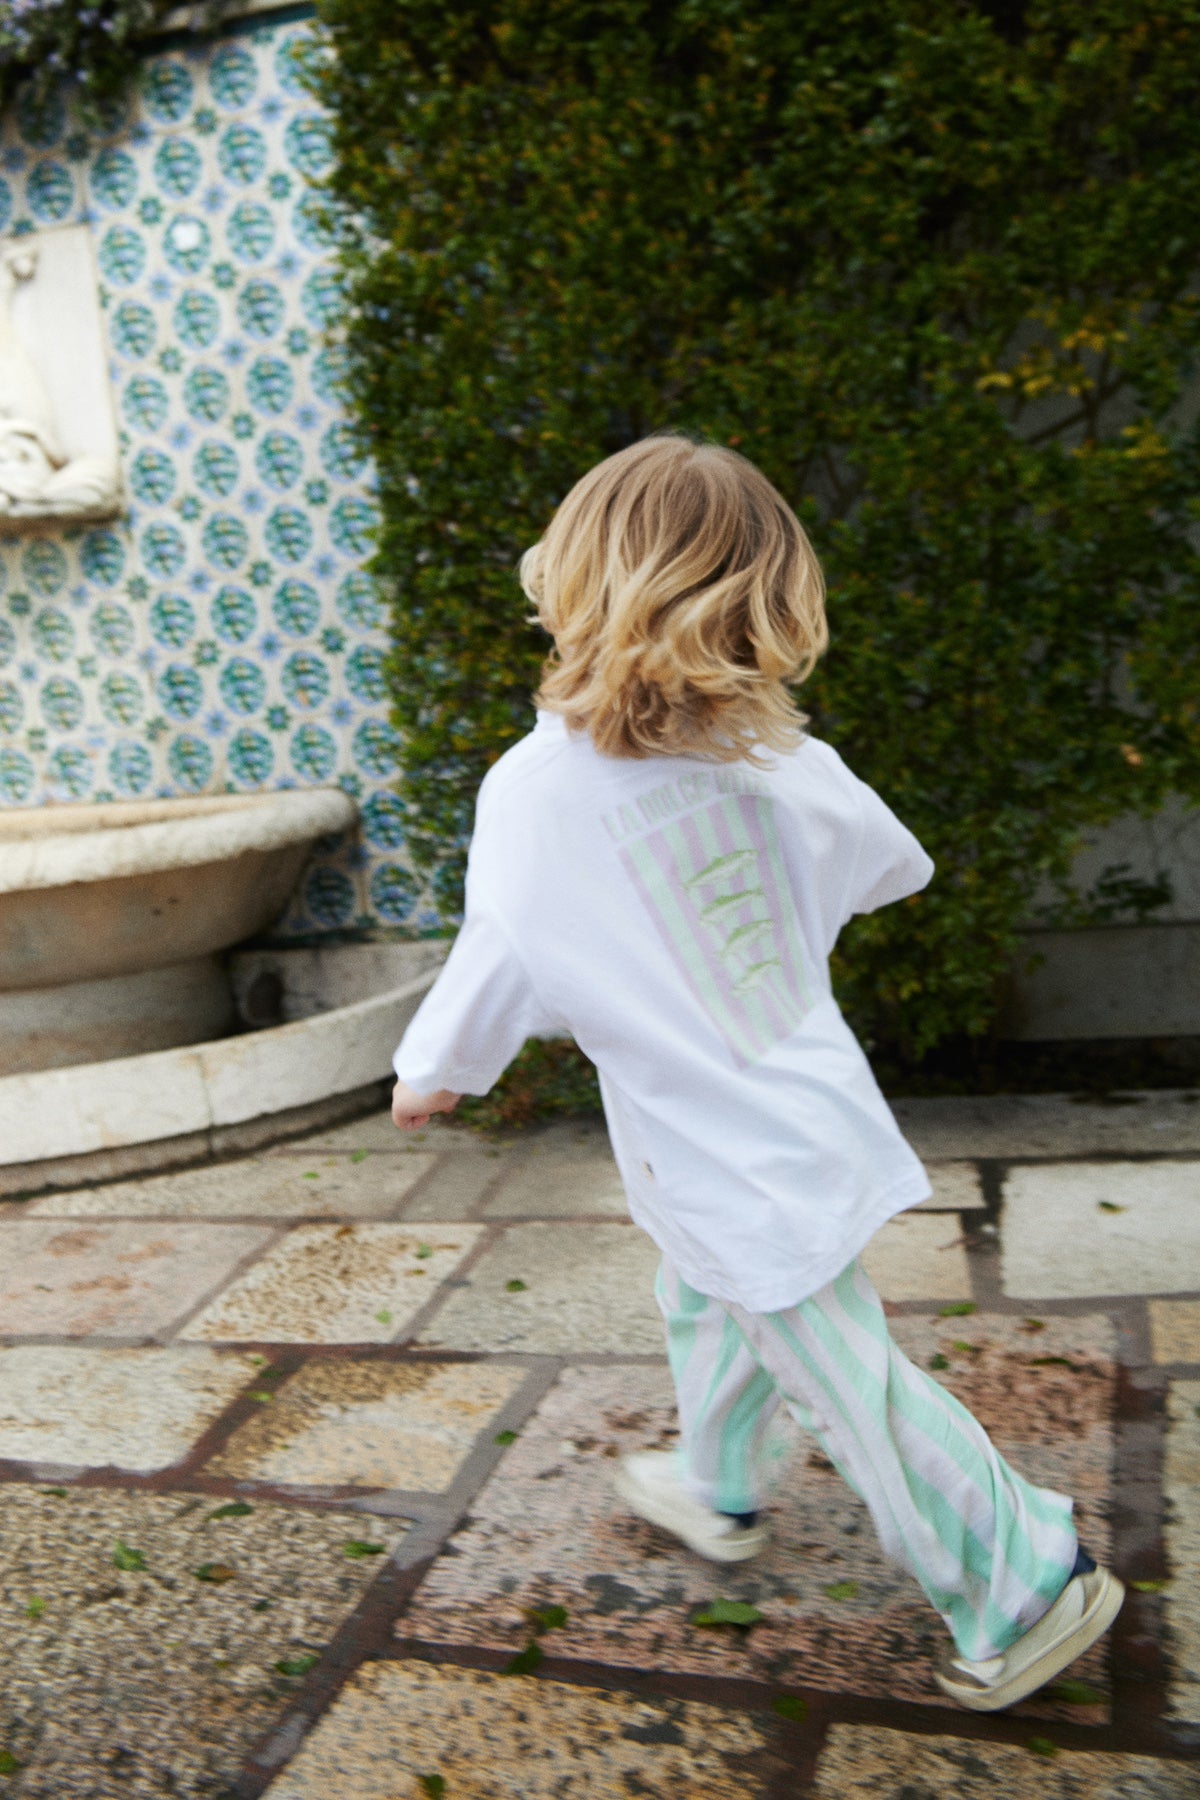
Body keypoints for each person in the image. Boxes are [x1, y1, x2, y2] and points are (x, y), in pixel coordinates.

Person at [390, 433, 1122, 1711]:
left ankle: (1024, 1574)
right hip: (792, 1103)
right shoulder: (777, 760)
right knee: (705, 1294)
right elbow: (886, 863)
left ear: (576, 583)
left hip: (719, 1146)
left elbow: (499, 951)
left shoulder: (538, 790)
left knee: (846, 1381)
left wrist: (434, 1069)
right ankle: (719, 1483)